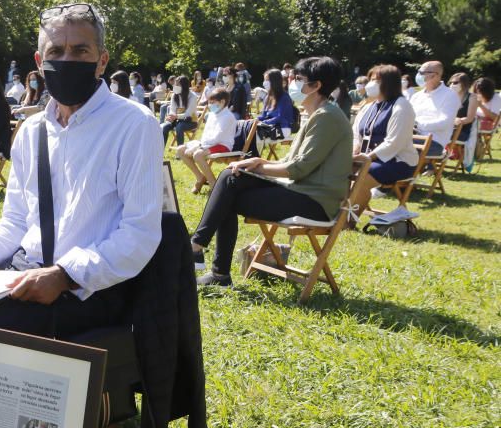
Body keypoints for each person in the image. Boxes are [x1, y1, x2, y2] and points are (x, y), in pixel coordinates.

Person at [0, 2, 162, 338]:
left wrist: (64, 275)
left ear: (102, 61)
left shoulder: (134, 125)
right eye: (56, 50)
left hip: (87, 291)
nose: (67, 60)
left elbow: (139, 233)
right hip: (19, 276)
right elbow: (16, 220)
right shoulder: (33, 130)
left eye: (80, 50)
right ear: (40, 62)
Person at [190, 56, 353, 287]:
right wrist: (256, 162)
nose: (291, 82)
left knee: (229, 190)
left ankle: (203, 256)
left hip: (314, 202)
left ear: (316, 85)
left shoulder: (327, 117)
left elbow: (298, 168)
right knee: (230, 177)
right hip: (300, 190)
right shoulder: (318, 113)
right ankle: (204, 256)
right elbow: (292, 161)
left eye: (298, 79)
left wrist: (258, 165)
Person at [351, 64, 418, 213]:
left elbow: (394, 142)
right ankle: (335, 213)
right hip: (368, 158)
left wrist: (367, 158)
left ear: (389, 83)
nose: (371, 84)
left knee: (360, 178)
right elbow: (357, 134)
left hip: (397, 161)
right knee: (338, 171)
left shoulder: (402, 106)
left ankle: (347, 221)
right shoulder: (368, 106)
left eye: (376, 80)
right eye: (371, 79)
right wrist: (355, 151)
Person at [176, 88, 236, 193]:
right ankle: (200, 177)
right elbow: (206, 134)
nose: (209, 105)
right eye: (209, 102)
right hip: (208, 144)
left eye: (212, 102)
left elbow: (217, 138)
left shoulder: (228, 117)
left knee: (198, 154)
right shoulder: (212, 115)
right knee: (180, 149)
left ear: (222, 102)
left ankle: (214, 185)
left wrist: (199, 147)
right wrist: (199, 144)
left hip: (223, 145)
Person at [410, 61, 462, 158]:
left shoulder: (450, 95)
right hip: (411, 137)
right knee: (383, 140)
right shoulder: (416, 96)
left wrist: (418, 125)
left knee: (396, 145)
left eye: (422, 73)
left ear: (434, 75)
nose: (418, 75)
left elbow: (445, 122)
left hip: (434, 142)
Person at [257, 68, 297, 141]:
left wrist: (263, 122)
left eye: (267, 80)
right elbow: (263, 116)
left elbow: (280, 117)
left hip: (283, 129)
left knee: (254, 137)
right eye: (264, 80)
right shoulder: (268, 97)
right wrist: (255, 120)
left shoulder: (284, 97)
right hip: (269, 126)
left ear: (275, 81)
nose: (264, 83)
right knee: (248, 132)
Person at [160, 75, 199, 145]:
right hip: (177, 120)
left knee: (179, 126)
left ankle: (180, 151)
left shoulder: (192, 96)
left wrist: (176, 116)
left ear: (184, 86)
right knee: (164, 127)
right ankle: (160, 150)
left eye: (178, 85)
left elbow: (188, 114)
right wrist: (171, 116)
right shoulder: (174, 95)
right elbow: (172, 109)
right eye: (175, 84)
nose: (175, 86)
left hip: (191, 121)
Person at [448, 73, 479, 145]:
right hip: (448, 128)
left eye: (455, 82)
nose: (452, 85)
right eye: (451, 82)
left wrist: (453, 121)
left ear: (464, 83)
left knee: (436, 134)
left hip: (462, 131)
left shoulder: (472, 97)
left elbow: (469, 118)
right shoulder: (450, 97)